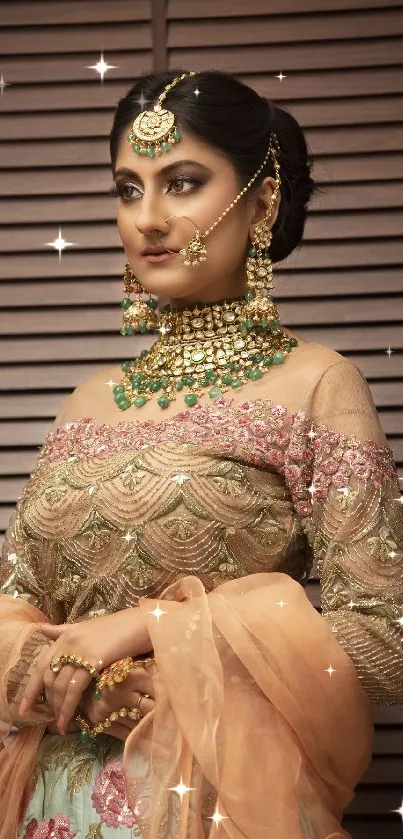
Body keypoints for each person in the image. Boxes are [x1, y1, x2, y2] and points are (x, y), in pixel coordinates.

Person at [0, 68, 402, 839]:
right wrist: (80, 688)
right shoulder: (88, 401)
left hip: (218, 801)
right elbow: (15, 606)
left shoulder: (315, 384)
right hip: (52, 806)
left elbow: (382, 637)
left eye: (181, 182)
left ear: (261, 201)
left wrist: (153, 634)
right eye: (127, 187)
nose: (146, 217)